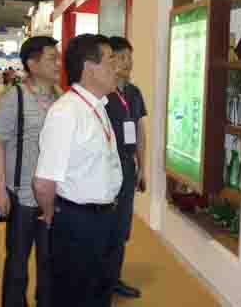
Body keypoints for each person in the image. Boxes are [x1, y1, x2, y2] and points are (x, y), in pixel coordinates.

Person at [33, 34, 122, 307]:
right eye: (110, 60)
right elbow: (44, 182)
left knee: (99, 292)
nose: (117, 67)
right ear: (89, 68)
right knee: (73, 296)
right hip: (77, 222)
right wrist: (52, 214)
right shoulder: (66, 112)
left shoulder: (98, 107)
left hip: (105, 218)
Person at [0, 36, 61, 307]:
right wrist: (0, 190)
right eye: (51, 58)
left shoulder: (61, 97)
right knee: (18, 263)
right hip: (22, 196)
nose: (58, 63)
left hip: (53, 197)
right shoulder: (15, 97)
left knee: (49, 262)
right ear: (32, 64)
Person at [105, 36, 147, 299]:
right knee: (104, 225)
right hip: (106, 167)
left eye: (130, 57)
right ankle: (98, 280)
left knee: (121, 227)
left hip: (127, 167)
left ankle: (113, 278)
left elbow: (140, 131)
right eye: (121, 57)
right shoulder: (103, 94)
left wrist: (142, 166)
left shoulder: (134, 93)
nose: (127, 62)